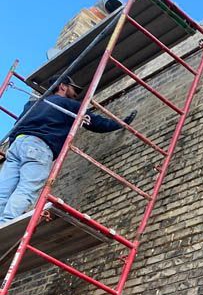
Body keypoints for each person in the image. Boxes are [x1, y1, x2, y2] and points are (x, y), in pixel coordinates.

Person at [0, 75, 136, 226]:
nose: (76, 94)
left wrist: (14, 146)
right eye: (73, 89)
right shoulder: (68, 104)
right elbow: (97, 123)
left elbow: (15, 127)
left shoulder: (32, 104)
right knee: (27, 188)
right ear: (63, 86)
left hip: (16, 146)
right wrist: (120, 124)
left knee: (3, 191)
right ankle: (5, 222)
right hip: (39, 146)